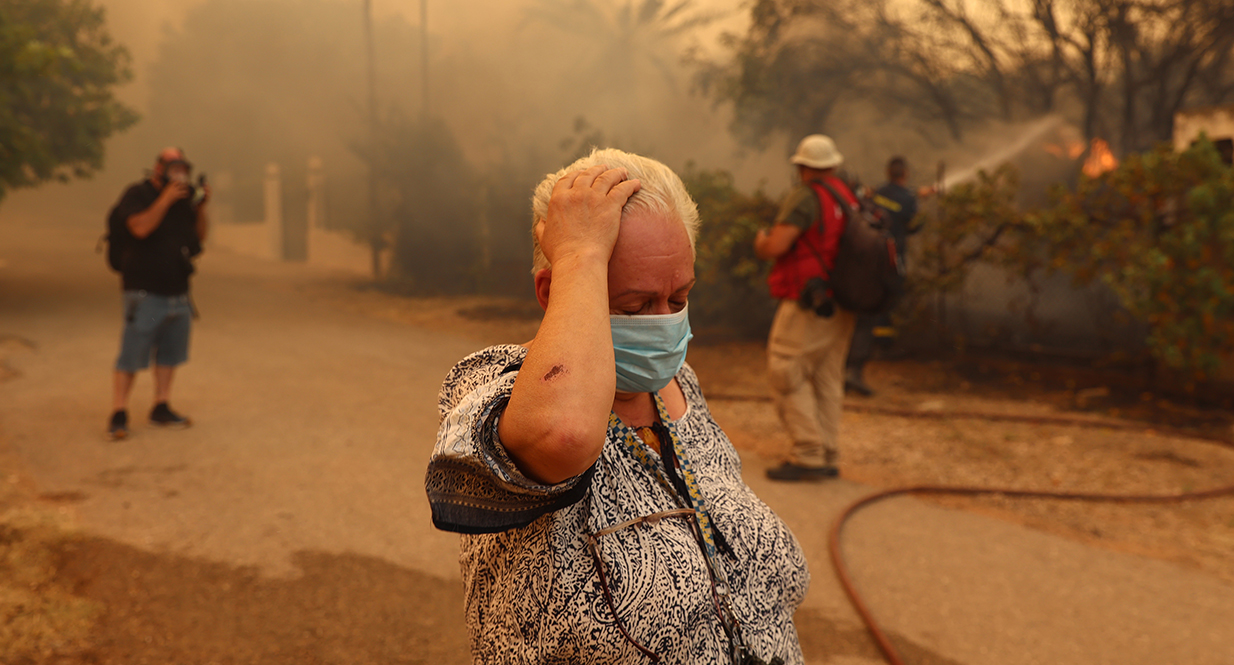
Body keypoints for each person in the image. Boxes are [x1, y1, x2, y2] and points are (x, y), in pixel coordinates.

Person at [425, 149, 807, 664]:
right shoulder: (497, 388)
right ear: (554, 291)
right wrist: (580, 252)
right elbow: (563, 437)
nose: (665, 324)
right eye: (635, 306)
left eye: (679, 298)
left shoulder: (680, 386)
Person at [753, 134, 858, 482]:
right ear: (833, 165)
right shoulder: (847, 195)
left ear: (802, 167)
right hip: (843, 301)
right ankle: (828, 451)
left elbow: (778, 245)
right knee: (828, 378)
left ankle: (808, 453)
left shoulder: (806, 197)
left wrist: (762, 241)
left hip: (810, 301)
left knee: (786, 367)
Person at [105, 147, 210, 440]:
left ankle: (161, 405)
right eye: (173, 168)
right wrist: (165, 199)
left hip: (178, 290)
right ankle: (119, 412)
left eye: (183, 169)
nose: (179, 175)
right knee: (133, 352)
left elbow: (199, 238)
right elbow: (139, 228)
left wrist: (200, 207)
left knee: (170, 353)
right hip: (145, 290)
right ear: (158, 169)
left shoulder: (184, 202)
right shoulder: (137, 194)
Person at [844, 156, 932, 396]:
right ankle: (877, 349)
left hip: (865, 258)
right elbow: (914, 225)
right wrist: (920, 204)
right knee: (884, 301)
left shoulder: (876, 193)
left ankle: (854, 363)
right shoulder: (908, 198)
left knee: (862, 308)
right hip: (891, 259)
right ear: (905, 174)